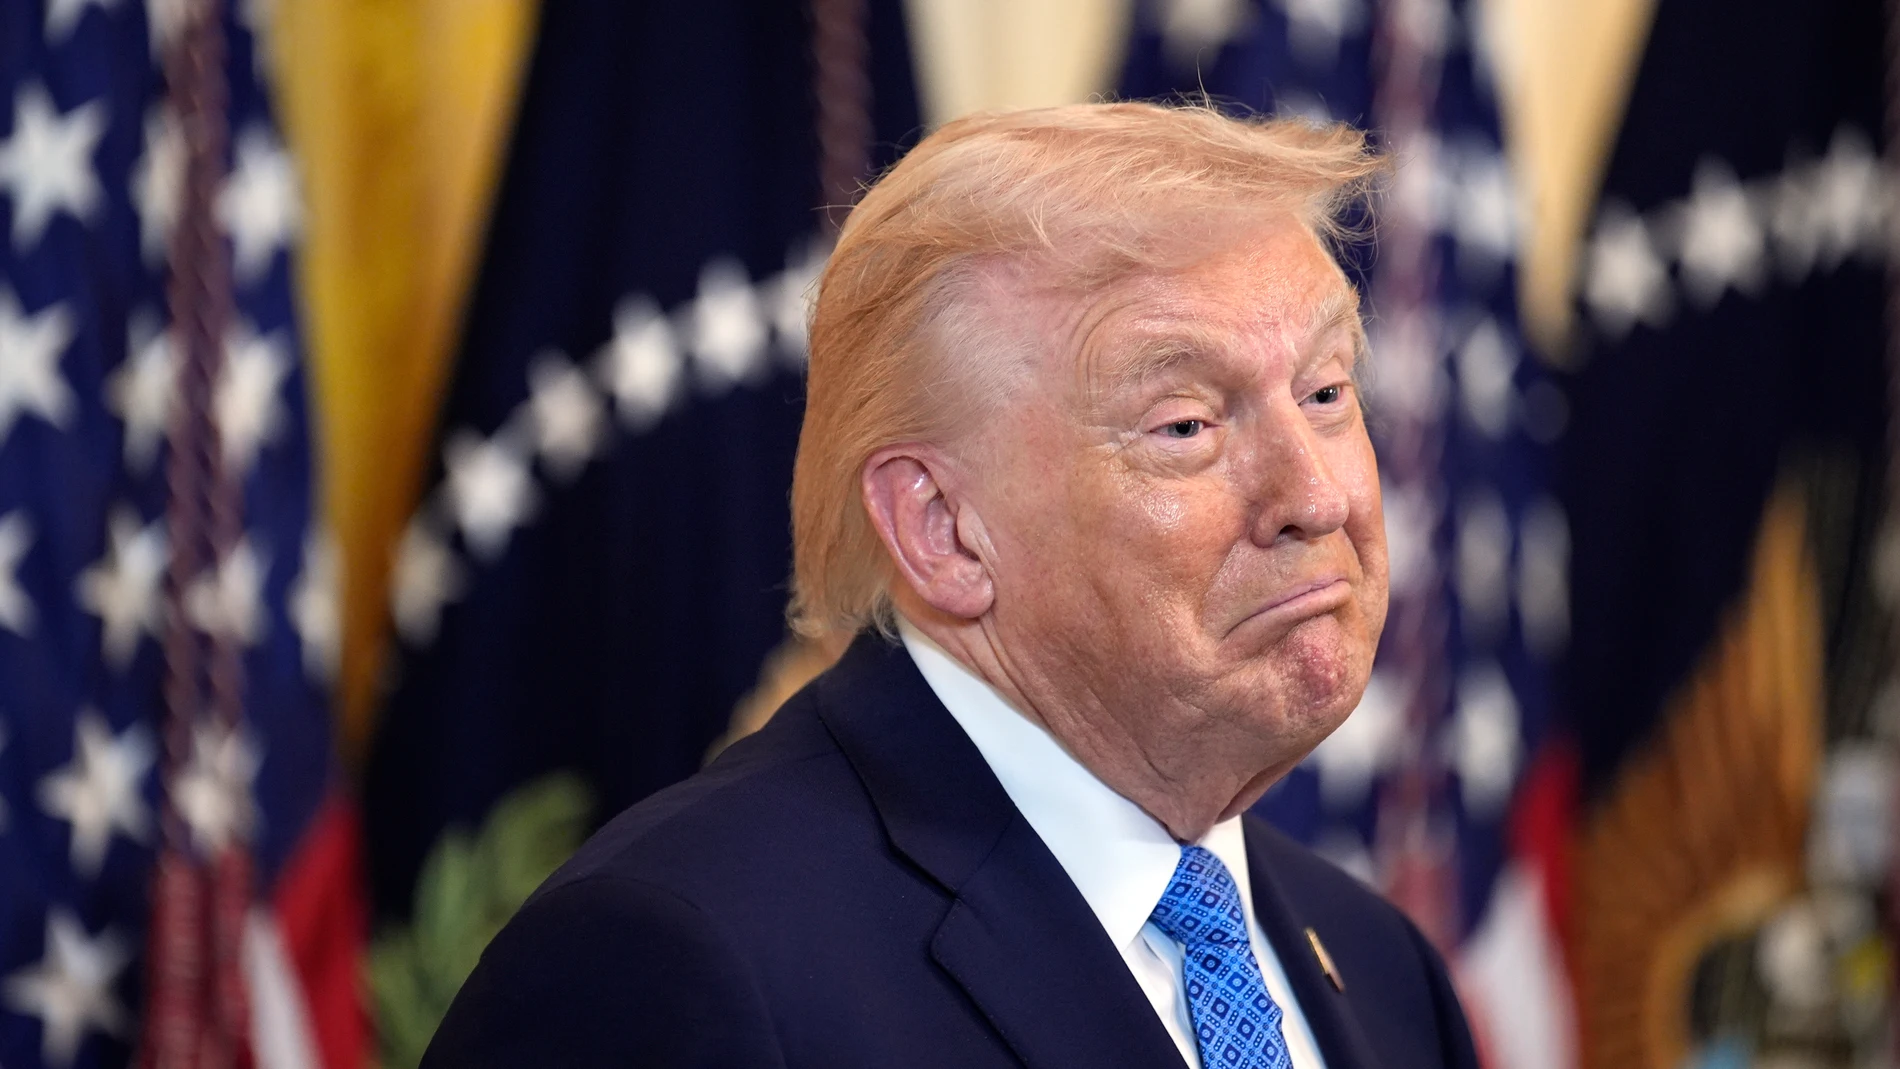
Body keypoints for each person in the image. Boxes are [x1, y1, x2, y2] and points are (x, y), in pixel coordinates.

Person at [423, 102, 1479, 1069]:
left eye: (1326, 390)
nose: (1316, 494)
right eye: (1186, 426)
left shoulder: (1378, 966)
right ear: (943, 532)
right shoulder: (672, 962)